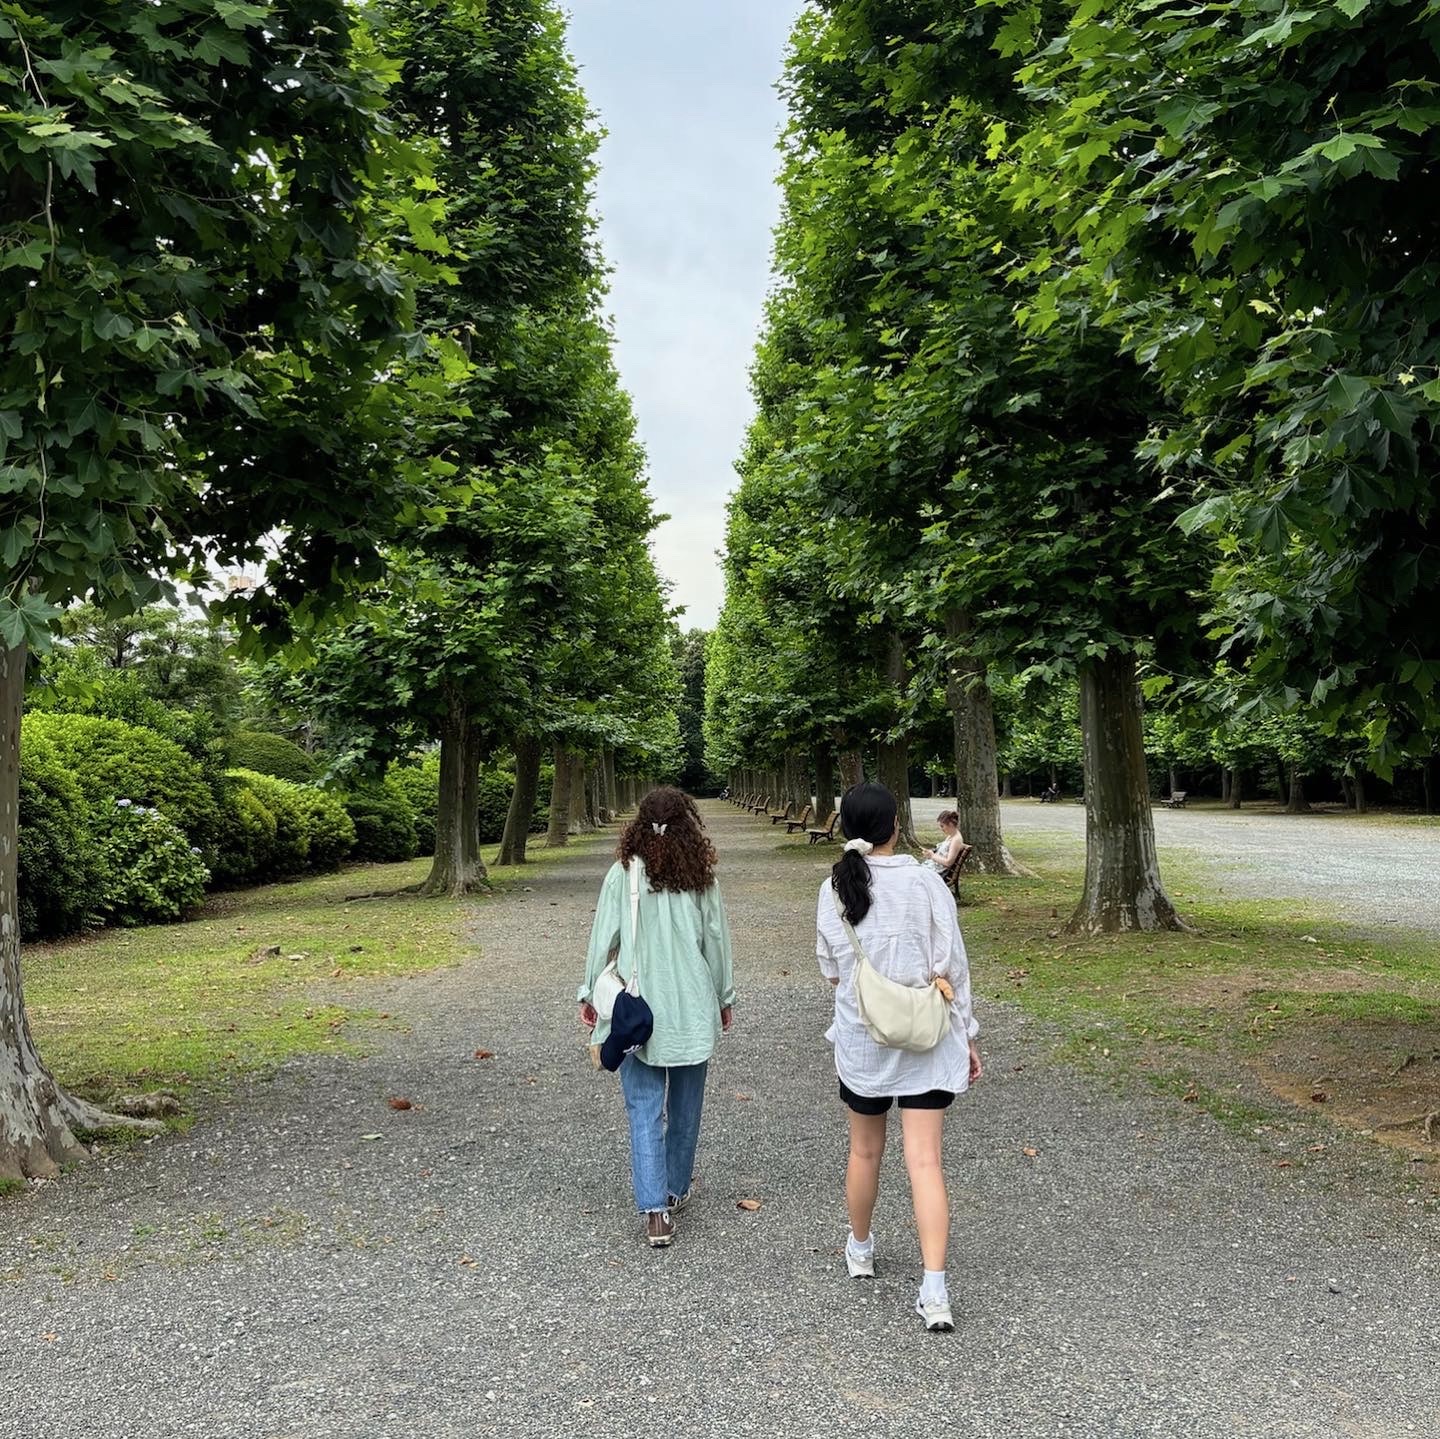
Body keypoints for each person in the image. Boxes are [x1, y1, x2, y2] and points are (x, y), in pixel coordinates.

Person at [816, 782, 982, 1332]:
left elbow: (833, 970)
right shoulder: (926, 883)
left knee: (864, 1152)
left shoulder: (834, 889)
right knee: (925, 1162)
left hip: (864, 1039)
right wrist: (969, 1035)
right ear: (894, 826)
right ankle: (934, 1290)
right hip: (928, 1036)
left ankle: (860, 1249)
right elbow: (952, 966)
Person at [579, 787, 735, 1249]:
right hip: (690, 1005)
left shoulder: (621, 874)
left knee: (643, 1110)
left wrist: (589, 992)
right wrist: (724, 998)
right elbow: (716, 944)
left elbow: (601, 939)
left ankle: (655, 1212)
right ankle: (675, 1187)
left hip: (637, 1009)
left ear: (637, 826)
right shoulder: (702, 878)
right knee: (686, 1109)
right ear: (690, 827)